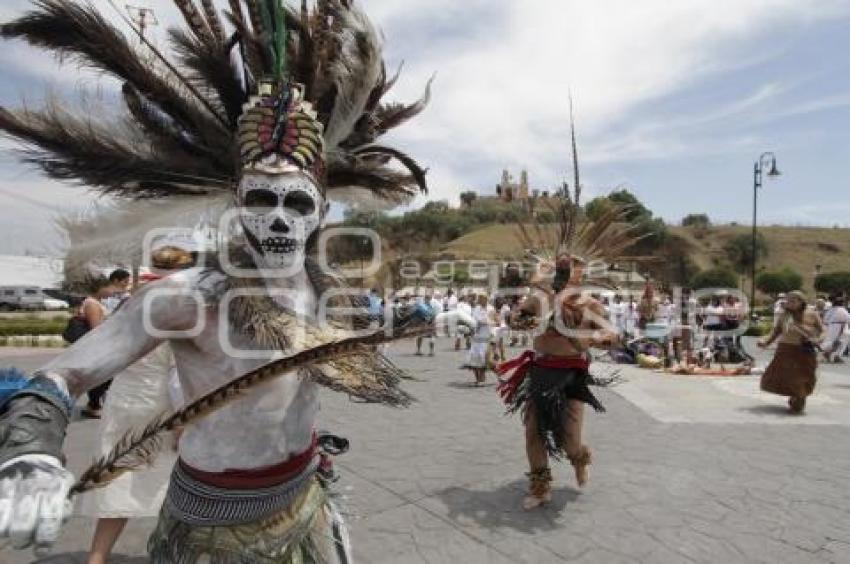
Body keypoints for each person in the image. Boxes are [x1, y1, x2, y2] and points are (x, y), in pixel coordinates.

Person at [0, 1, 434, 560]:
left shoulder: (327, 291)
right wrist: (30, 450)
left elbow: (352, 336)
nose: (278, 217)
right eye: (261, 197)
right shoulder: (190, 296)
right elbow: (65, 374)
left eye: (296, 202)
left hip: (303, 501)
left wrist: (403, 322)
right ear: (236, 202)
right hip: (210, 526)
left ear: (320, 210)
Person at [81, 239, 194, 564]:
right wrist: (185, 423)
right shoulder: (177, 312)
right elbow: (177, 376)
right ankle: (173, 554)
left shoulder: (130, 306)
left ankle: (97, 557)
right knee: (173, 486)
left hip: (123, 401)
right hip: (159, 409)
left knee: (118, 481)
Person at [499, 256, 617, 510]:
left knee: (569, 440)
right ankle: (540, 488)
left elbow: (612, 335)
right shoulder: (540, 300)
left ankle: (580, 458)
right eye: (560, 269)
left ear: (580, 274)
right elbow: (515, 318)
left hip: (572, 374)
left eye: (569, 270)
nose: (563, 275)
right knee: (534, 431)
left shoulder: (590, 306)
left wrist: (589, 339)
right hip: (540, 370)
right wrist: (518, 319)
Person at [758, 291, 825, 414]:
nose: (789, 303)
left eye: (793, 301)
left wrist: (818, 339)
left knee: (804, 377)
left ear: (801, 302)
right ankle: (796, 396)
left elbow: (823, 331)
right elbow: (776, 332)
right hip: (786, 350)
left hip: (805, 351)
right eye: (788, 301)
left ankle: (799, 397)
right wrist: (765, 341)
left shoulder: (812, 314)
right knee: (787, 377)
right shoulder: (784, 316)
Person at [78, 276, 113, 419]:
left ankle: (94, 404)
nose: (110, 290)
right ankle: (93, 405)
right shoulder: (92, 303)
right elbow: (95, 328)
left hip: (100, 345)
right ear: (100, 287)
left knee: (105, 376)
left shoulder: (97, 302)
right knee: (102, 376)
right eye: (108, 287)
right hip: (97, 345)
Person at [464, 294, 492, 385]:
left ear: (486, 299)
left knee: (482, 358)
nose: (479, 300)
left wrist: (485, 322)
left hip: (485, 337)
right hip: (476, 337)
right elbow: (472, 321)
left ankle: (482, 376)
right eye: (479, 299)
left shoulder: (490, 309)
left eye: (481, 298)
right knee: (473, 358)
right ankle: (477, 379)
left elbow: (495, 321)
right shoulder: (476, 309)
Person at [822, 297, 850, 363]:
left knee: (831, 340)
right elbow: (848, 319)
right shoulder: (842, 310)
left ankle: (828, 353)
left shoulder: (830, 310)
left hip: (831, 326)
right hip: (840, 326)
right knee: (843, 340)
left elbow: (825, 320)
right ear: (842, 303)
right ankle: (836, 355)